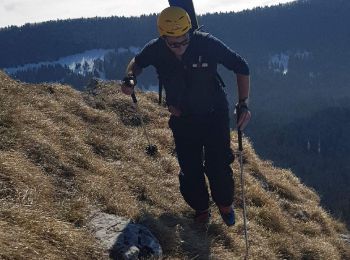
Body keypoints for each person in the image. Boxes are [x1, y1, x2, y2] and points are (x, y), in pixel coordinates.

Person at [121, 6, 251, 226]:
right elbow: (138, 62)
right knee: (190, 169)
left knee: (217, 165)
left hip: (214, 115)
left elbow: (241, 66)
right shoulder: (156, 49)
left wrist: (243, 104)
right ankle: (201, 208)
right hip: (182, 119)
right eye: (174, 43)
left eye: (184, 40)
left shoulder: (206, 43)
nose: (180, 46)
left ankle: (224, 205)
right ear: (164, 38)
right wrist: (130, 78)